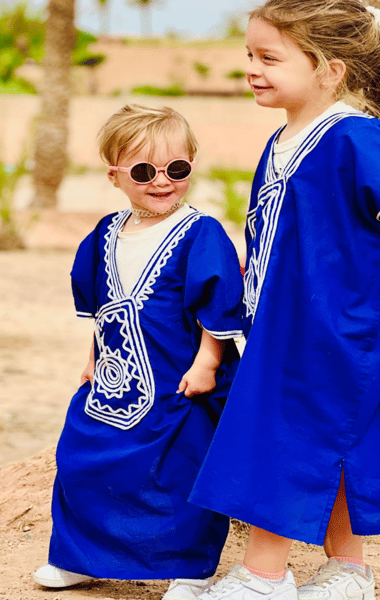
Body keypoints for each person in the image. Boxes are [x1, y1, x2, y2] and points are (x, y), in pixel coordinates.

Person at [188, 1, 380, 599]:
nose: (253, 68)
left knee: (281, 432)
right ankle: (349, 572)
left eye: (270, 58)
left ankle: (263, 577)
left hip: (335, 323)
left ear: (330, 70)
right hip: (288, 321)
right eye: (249, 55)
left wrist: (358, 246)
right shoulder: (286, 139)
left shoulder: (352, 133)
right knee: (338, 439)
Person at [33, 104, 244, 600]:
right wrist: (91, 357)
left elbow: (218, 303)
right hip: (111, 379)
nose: (163, 181)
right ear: (115, 176)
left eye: (177, 169)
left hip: (178, 380)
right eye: (145, 171)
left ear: (191, 165)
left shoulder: (199, 232)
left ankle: (189, 568)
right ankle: (78, 556)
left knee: (178, 470)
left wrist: (207, 363)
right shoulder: (107, 233)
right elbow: (103, 306)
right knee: (82, 457)